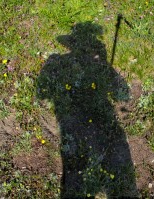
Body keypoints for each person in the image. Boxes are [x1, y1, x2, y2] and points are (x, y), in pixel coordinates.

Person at [37, 21, 138, 198]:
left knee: (77, 179)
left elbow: (42, 92)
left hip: (75, 130)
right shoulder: (99, 66)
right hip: (101, 129)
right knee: (120, 179)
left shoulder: (58, 62)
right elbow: (123, 95)